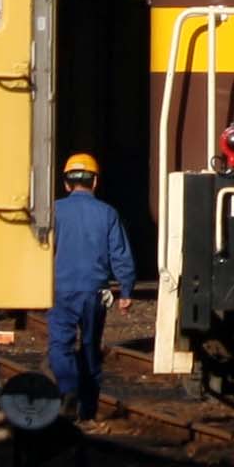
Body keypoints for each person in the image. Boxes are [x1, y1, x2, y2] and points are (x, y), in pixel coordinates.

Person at [48, 153, 135, 426]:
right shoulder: (108, 213)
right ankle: (88, 411)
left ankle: (68, 389)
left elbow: (40, 250)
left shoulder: (53, 211)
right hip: (94, 292)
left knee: (60, 346)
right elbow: (120, 254)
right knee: (89, 348)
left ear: (66, 183)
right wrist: (126, 289)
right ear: (95, 181)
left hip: (61, 290)